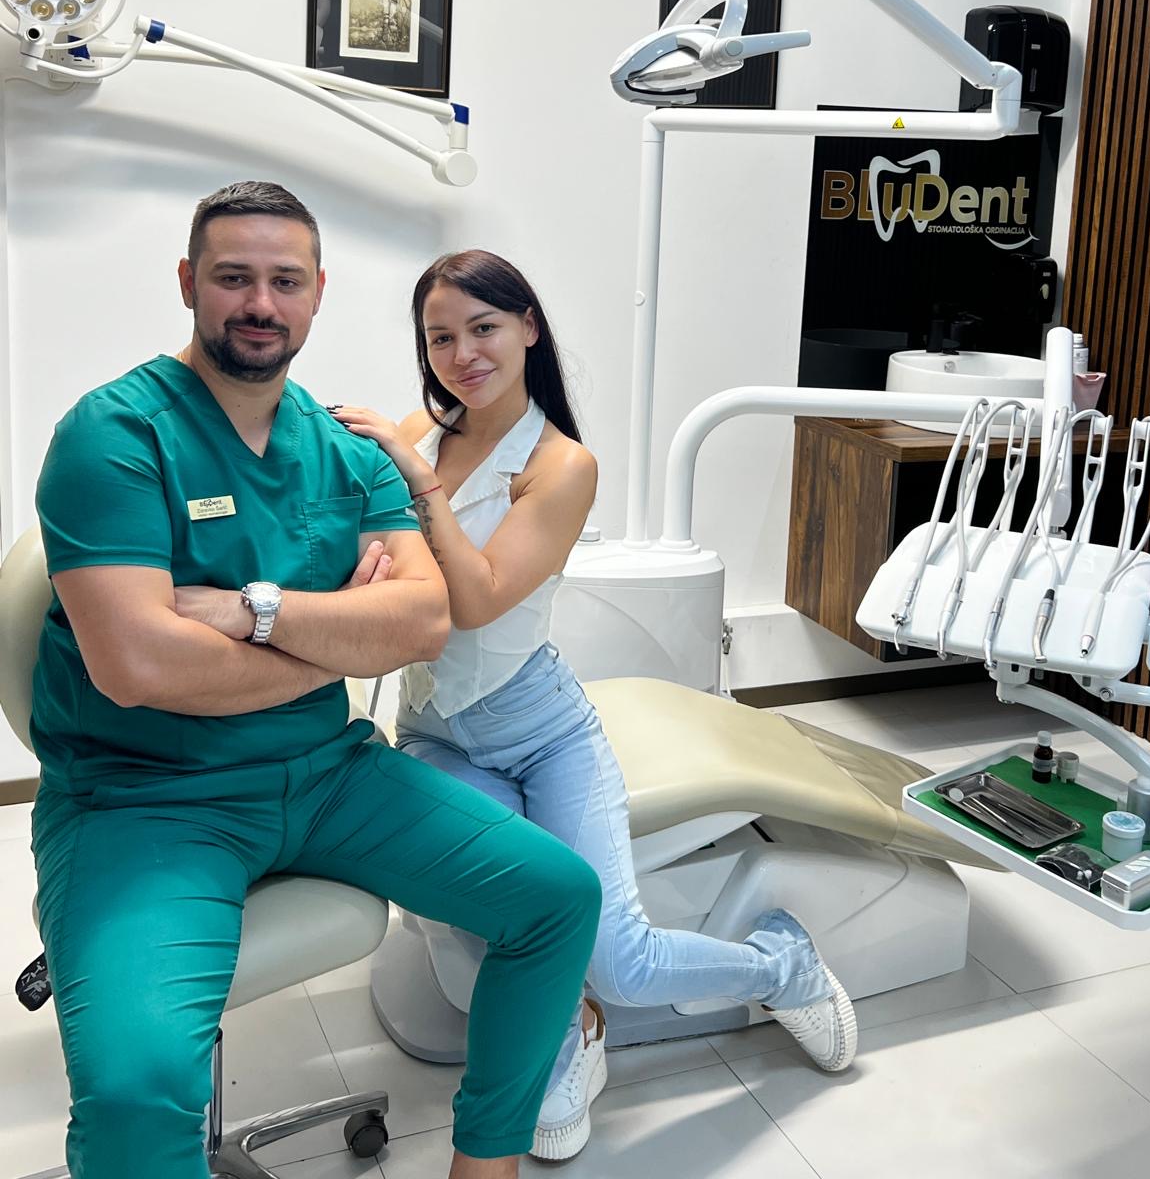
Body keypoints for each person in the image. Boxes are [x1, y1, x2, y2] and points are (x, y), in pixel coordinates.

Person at [30, 183, 601, 1179]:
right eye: (234, 277)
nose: (262, 303)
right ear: (188, 283)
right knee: (133, 1089)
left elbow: (424, 623)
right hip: (146, 796)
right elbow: (137, 666)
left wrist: (247, 612)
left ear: (318, 293)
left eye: (285, 281)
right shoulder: (114, 436)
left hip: (329, 773)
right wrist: (339, 637)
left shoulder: (347, 449)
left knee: (556, 897)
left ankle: (487, 1163)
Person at [333, 249, 858, 1165]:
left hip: (543, 734)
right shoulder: (423, 429)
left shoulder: (561, 463)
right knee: (499, 911)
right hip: (436, 733)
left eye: (484, 329)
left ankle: (782, 965)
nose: (463, 355)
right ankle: (573, 1027)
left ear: (529, 327)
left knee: (622, 959)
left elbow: (478, 598)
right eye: (441, 338)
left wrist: (414, 479)